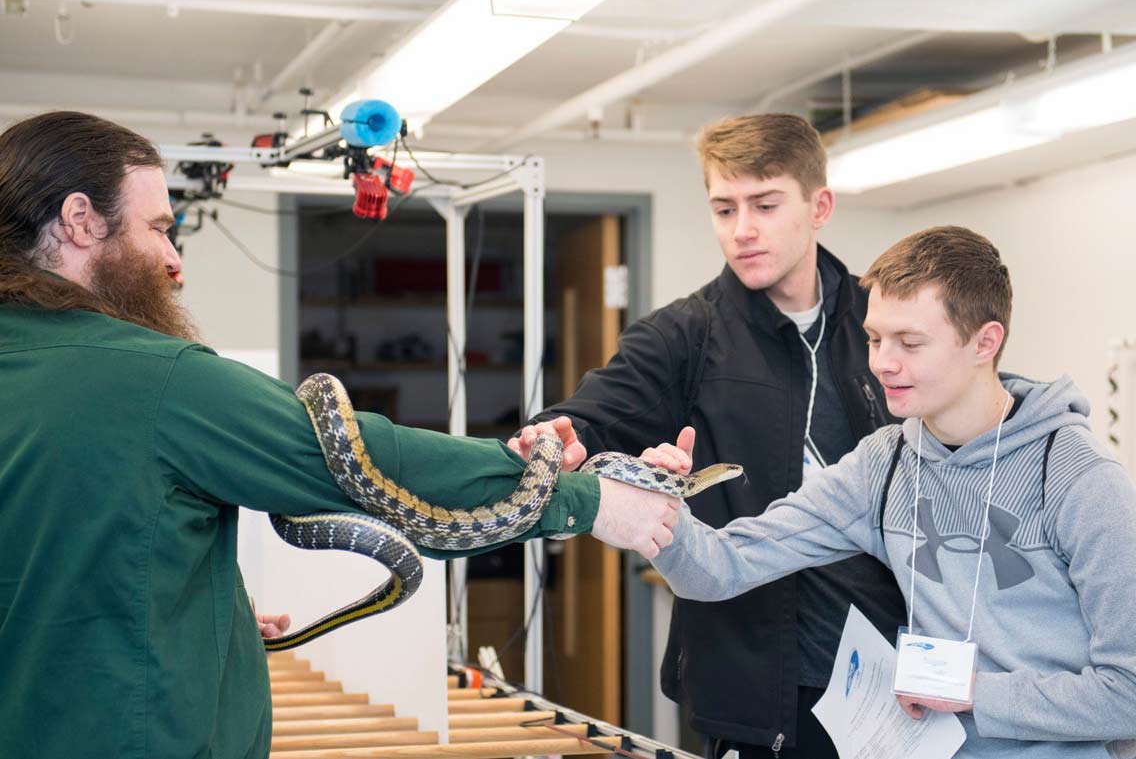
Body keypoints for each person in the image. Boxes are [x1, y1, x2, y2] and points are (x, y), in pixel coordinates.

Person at [0, 111, 680, 759]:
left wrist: (212, 622)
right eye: (158, 228)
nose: (174, 259)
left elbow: (60, 577)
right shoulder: (153, 379)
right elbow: (357, 458)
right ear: (81, 221)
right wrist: (589, 500)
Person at [645, 226, 1136, 758]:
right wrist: (661, 509)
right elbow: (720, 567)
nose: (882, 362)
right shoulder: (886, 463)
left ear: (985, 342)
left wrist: (971, 692)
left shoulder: (1077, 477)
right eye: (876, 338)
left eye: (910, 343)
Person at [510, 113, 906, 757]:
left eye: (765, 204)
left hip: (893, 681)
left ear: (819, 206)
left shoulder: (882, 322)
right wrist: (561, 437)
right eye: (724, 209)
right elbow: (593, 412)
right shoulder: (684, 336)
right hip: (756, 688)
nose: (742, 230)